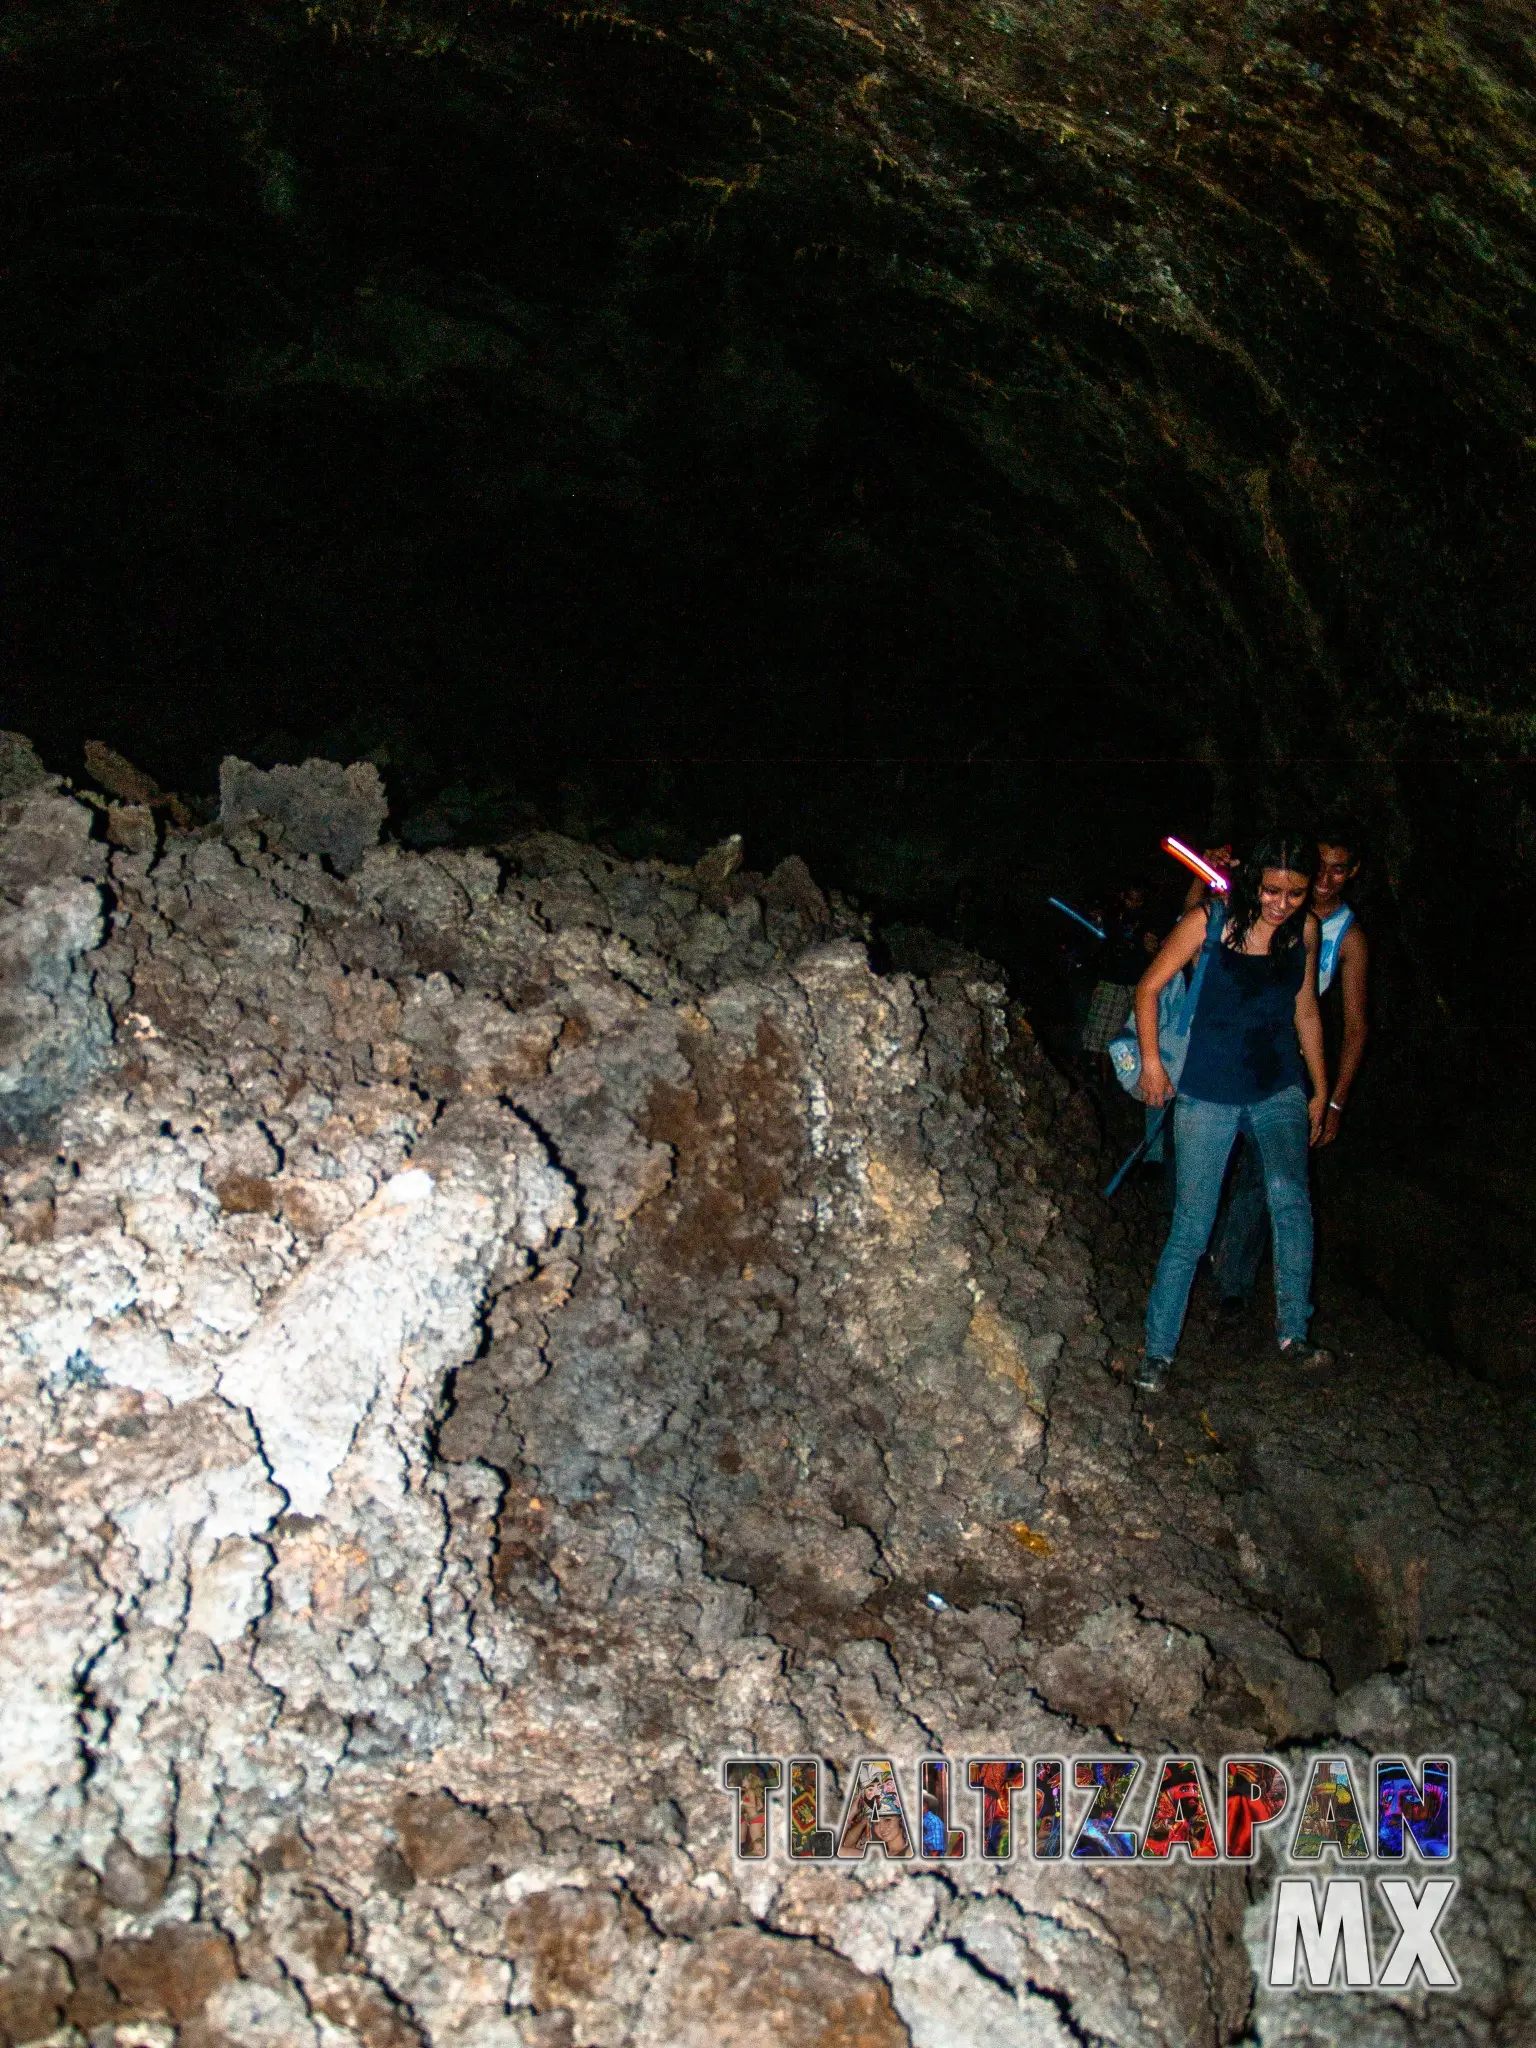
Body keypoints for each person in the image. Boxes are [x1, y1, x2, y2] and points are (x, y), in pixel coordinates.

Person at [1132, 834, 1332, 1391]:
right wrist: (1152, 1063)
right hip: (1208, 1089)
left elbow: (1305, 1009)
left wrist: (1320, 1089)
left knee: (1290, 1201)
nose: (1281, 904)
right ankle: (1158, 1351)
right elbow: (1148, 989)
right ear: (1253, 880)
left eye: (1295, 893)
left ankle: (1294, 1333)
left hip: (1278, 1086)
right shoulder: (1211, 920)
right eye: (1271, 890)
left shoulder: (1305, 931)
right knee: (1192, 1224)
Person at [1210, 822, 1369, 1316]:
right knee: (1214, 1160)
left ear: (1353, 872)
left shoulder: (1347, 936)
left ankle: (1238, 1285)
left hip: (1288, 1064)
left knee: (1270, 1174)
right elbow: (1202, 922)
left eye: (1338, 869)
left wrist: (1334, 1099)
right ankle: (1207, 1253)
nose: (1325, 878)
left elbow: (1353, 1025)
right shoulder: (1266, 901)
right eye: (1319, 865)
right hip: (1229, 1052)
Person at [1080, 883, 1158, 1082]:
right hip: (1109, 980)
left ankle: (1109, 1078)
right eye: (1131, 899)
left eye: (1138, 900)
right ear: (1123, 896)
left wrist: (1151, 948)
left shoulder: (1146, 922)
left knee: (1120, 1034)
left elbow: (1153, 955)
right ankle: (1092, 1070)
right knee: (1097, 1029)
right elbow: (1095, 945)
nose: (1134, 904)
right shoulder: (1111, 917)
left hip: (1133, 984)